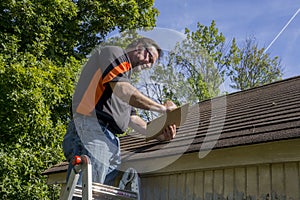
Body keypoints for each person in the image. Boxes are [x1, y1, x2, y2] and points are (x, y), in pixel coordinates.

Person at [62, 37, 177, 186]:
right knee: (87, 191)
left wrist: (160, 135)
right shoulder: (115, 54)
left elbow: (133, 120)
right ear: (139, 47)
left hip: (109, 140)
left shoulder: (124, 82)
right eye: (149, 57)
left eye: (152, 64)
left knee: (98, 193)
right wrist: (162, 108)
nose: (148, 65)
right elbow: (123, 90)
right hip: (92, 129)